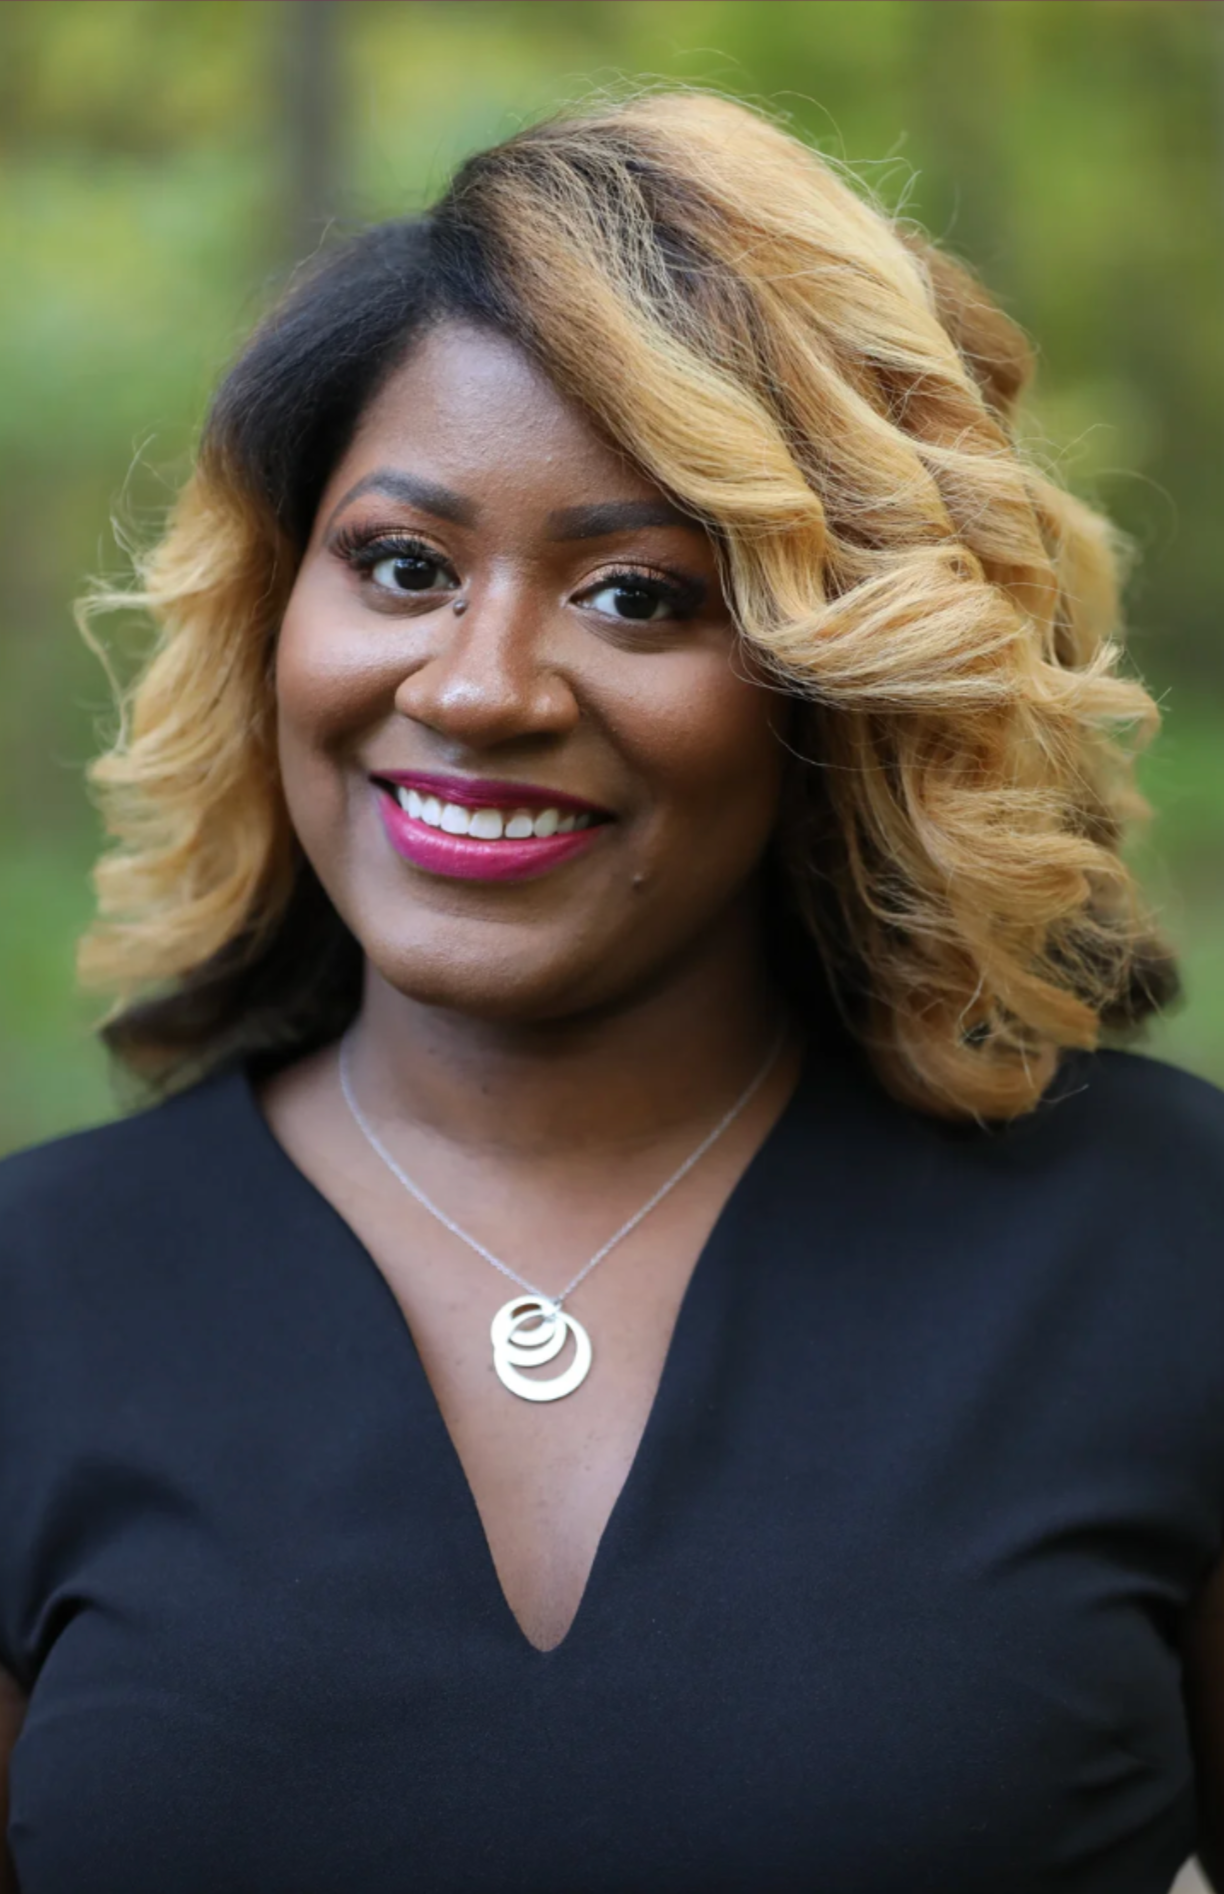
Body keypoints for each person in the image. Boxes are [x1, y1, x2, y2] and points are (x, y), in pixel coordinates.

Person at [2, 86, 1223, 1894]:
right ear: (280, 608)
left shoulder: (1159, 1238)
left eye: (640, 595)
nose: (482, 685)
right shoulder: (37, 1294)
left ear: (839, 671)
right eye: (404, 566)